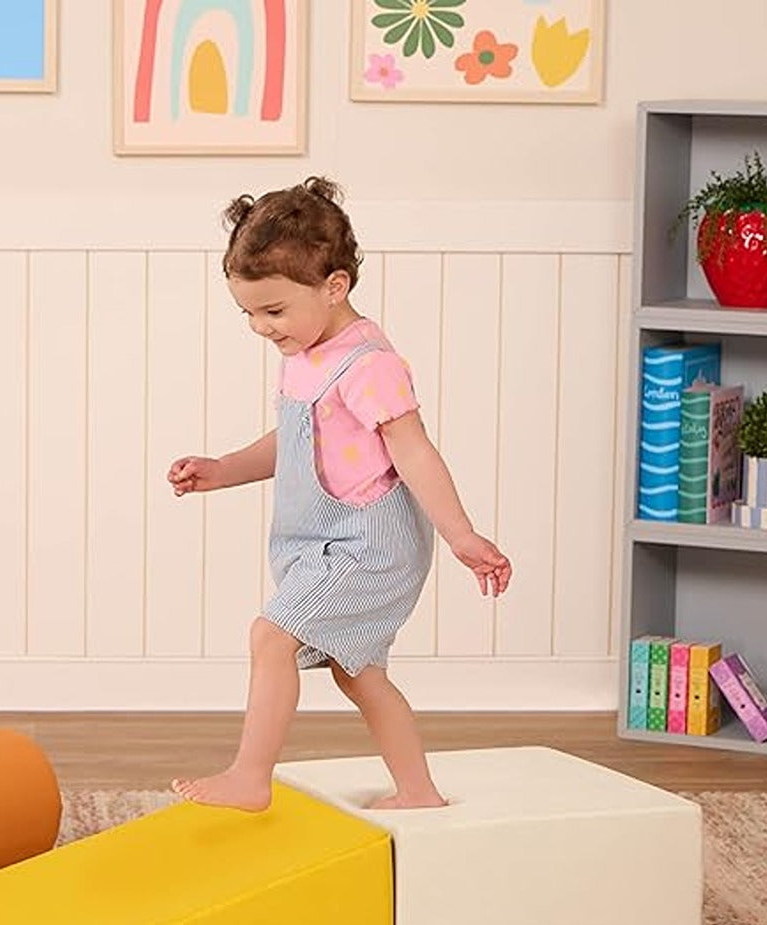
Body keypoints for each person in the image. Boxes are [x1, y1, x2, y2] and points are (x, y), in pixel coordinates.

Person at [167, 177, 511, 813]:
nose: (260, 327)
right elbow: (300, 439)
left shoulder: (369, 365)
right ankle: (418, 790)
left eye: (273, 311)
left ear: (334, 286)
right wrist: (224, 469)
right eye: (248, 313)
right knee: (361, 675)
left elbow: (414, 452)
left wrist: (462, 536)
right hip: (322, 539)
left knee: (271, 636)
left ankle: (250, 777)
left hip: (370, 543)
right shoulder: (307, 350)